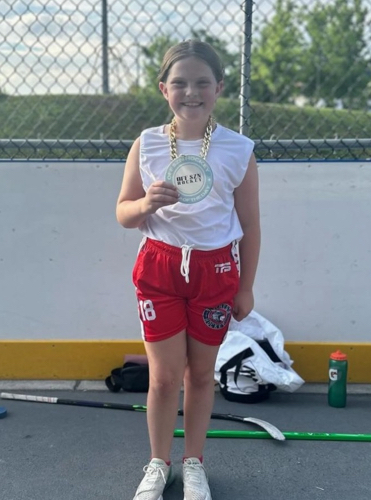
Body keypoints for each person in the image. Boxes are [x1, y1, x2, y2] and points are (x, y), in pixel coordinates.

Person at [116, 39, 261, 500]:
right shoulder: (147, 143)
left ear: (219, 87)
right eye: (179, 83)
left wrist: (246, 287)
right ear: (164, 89)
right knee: (163, 377)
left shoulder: (238, 150)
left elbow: (251, 226)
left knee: (200, 375)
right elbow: (123, 212)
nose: (191, 92)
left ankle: (193, 463)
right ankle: (158, 463)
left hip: (214, 271)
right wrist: (145, 204)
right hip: (159, 267)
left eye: (202, 82)